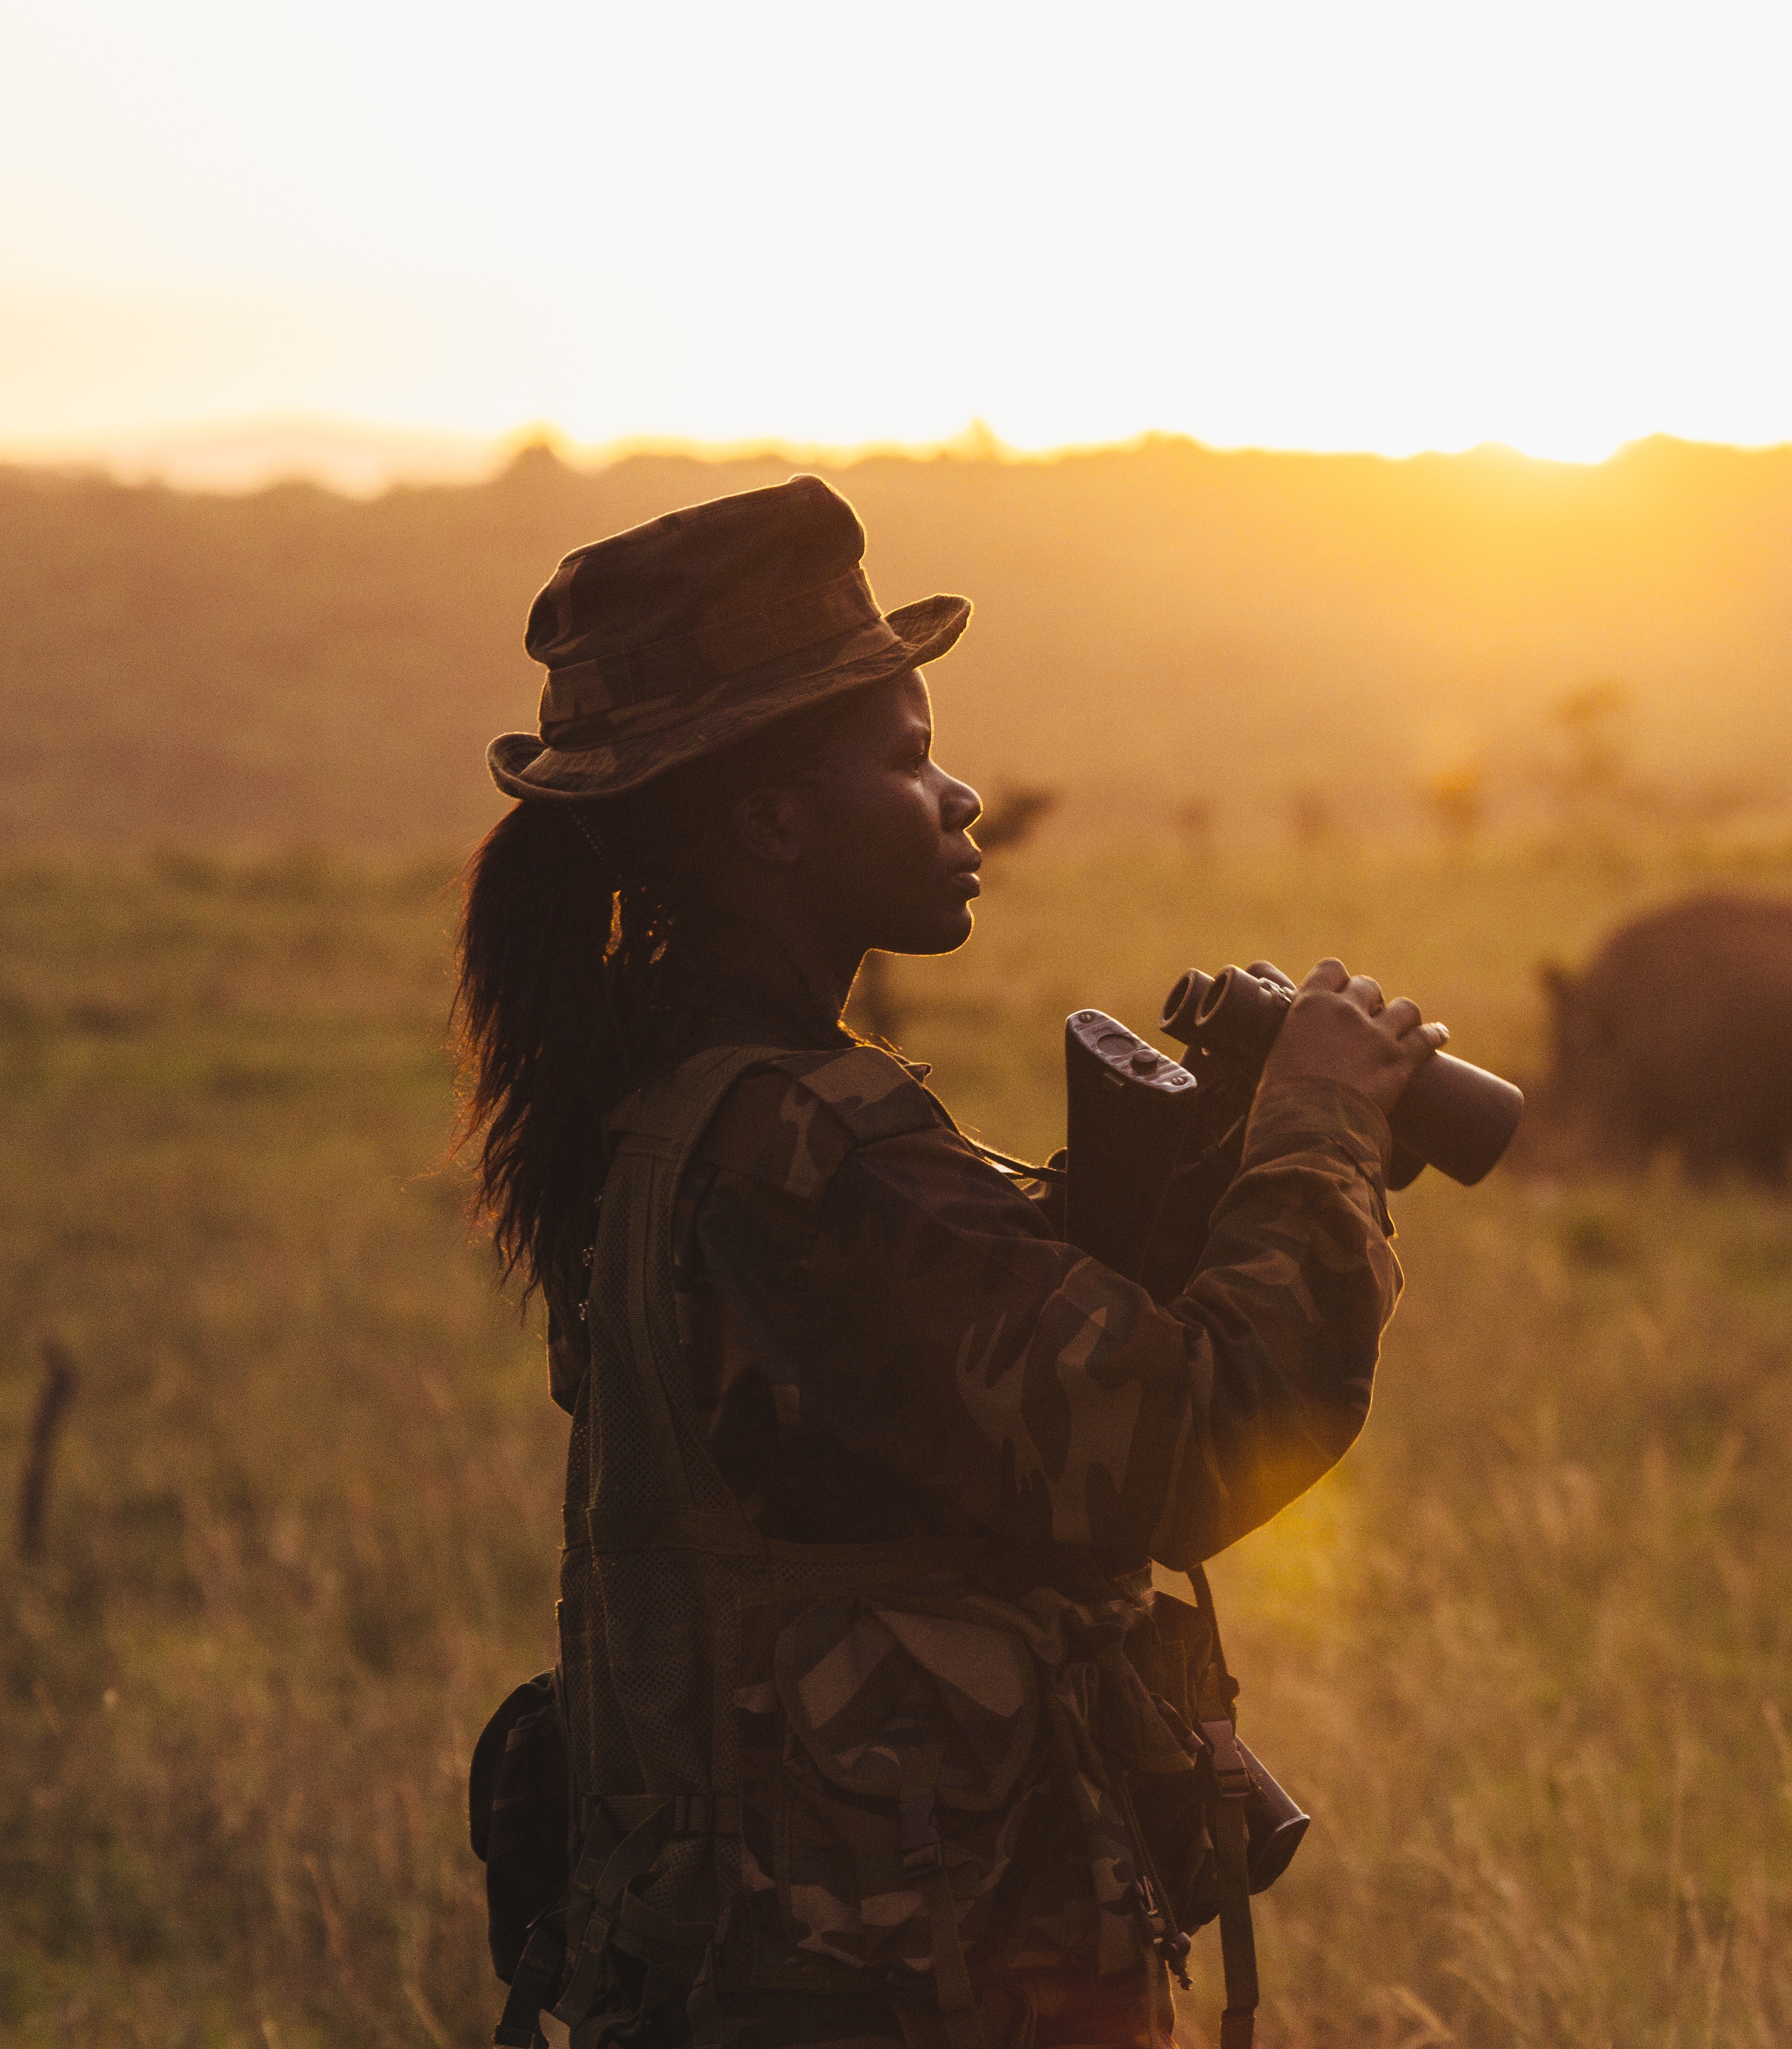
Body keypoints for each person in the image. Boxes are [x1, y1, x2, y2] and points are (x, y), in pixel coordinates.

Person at [451, 476, 1442, 2049]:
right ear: (771, 821)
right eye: (908, 760)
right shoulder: (814, 1151)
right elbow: (1191, 1441)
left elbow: (925, 1471)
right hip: (899, 1992)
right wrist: (1322, 1133)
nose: (961, 796)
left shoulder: (666, 1109)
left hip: (745, 1974)